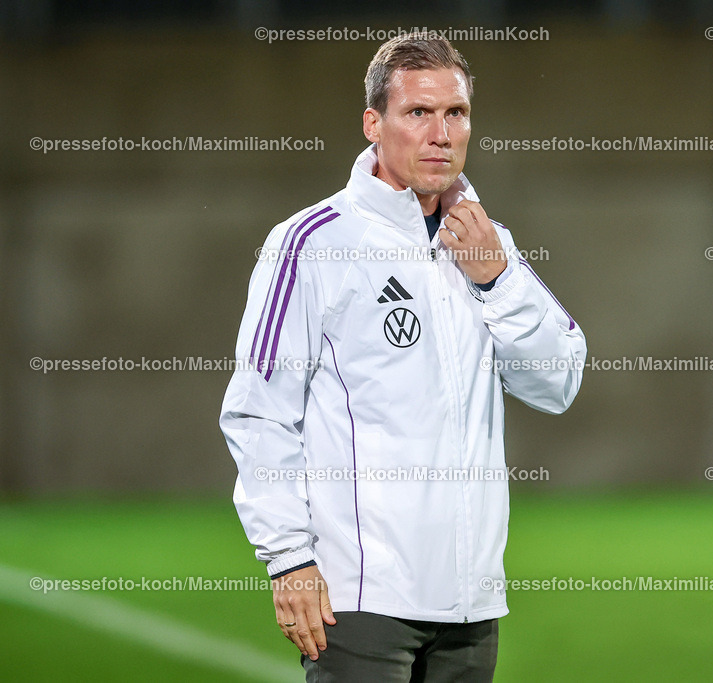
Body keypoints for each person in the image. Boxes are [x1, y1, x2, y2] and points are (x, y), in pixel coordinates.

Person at [220, 32, 586, 682]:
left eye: (456, 113)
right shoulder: (311, 243)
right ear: (374, 123)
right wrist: (288, 558)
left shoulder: (486, 242)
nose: (441, 132)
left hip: (471, 605)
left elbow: (558, 381)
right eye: (419, 112)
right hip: (361, 600)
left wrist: (497, 281)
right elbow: (259, 412)